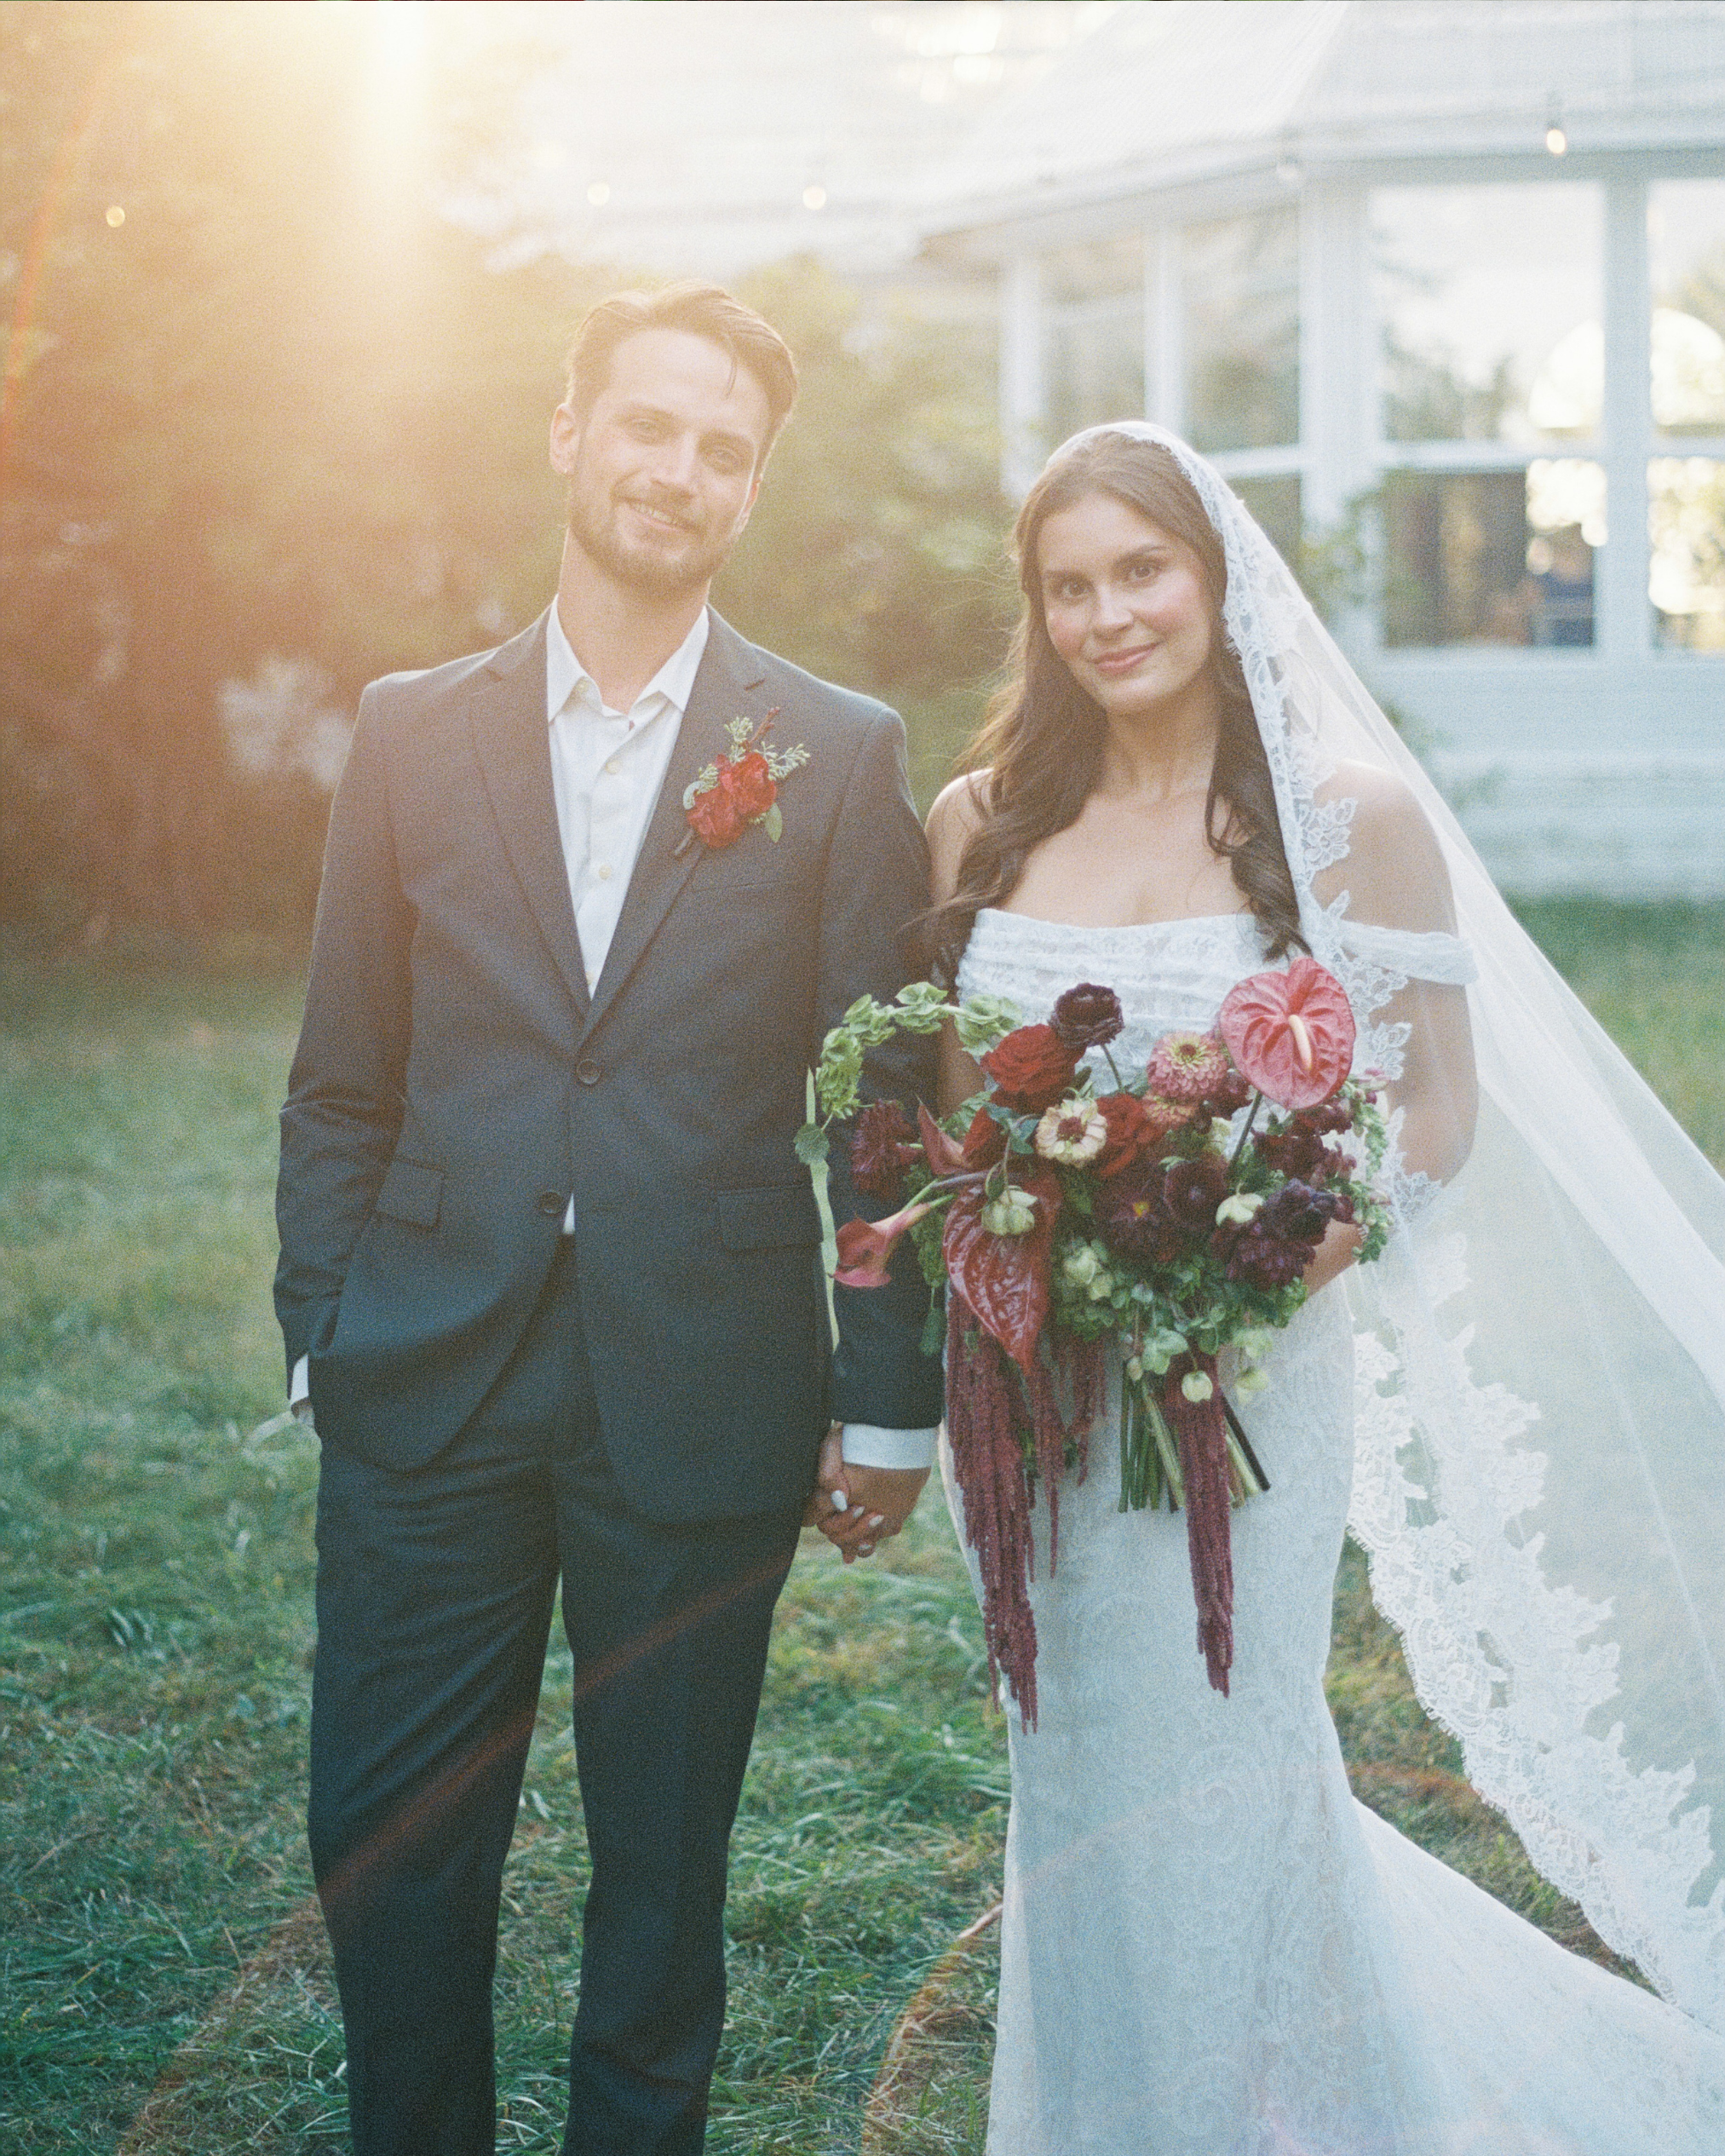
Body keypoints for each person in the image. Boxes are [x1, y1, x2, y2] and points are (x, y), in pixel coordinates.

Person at [922, 421, 1725, 2153]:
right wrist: (1015, 1247)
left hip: (1246, 1382)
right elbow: (944, 1109)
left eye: (1140, 570)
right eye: (1067, 587)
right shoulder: (978, 821)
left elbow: (1434, 1106)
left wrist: (1251, 1268)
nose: (1107, 615)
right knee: (1072, 1775)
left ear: (1213, 576)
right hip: (1036, 1385)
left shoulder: (1348, 821)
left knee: (1220, 1762)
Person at [274, 281, 938, 2156]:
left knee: (660, 1878)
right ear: (570, 434)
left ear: (750, 488)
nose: (680, 469)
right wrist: (324, 1317)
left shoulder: (831, 747)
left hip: (702, 1389)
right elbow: (343, 1069)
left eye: (722, 448)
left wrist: (882, 1401)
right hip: (429, 1372)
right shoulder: (412, 729)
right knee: (391, 1845)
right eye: (647, 425)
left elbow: (882, 1111)